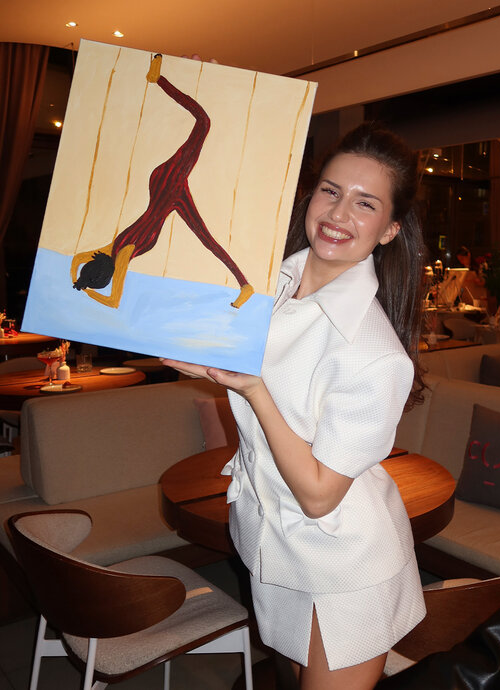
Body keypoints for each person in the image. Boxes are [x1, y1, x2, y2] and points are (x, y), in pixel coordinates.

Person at [163, 122, 427, 689]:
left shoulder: (375, 352)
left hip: (343, 565)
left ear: (390, 229)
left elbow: (319, 495)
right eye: (331, 191)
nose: (338, 213)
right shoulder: (269, 286)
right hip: (272, 545)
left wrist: (252, 389)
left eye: (365, 203)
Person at [71, 54, 253, 310]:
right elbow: (76, 260)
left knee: (203, 123)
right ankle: (245, 285)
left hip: (168, 187)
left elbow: (113, 301)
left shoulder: (121, 255)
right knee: (206, 237)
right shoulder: (108, 248)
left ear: (108, 274)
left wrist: (87, 290)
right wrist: (79, 281)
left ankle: (158, 79)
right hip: (165, 189)